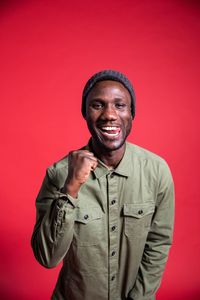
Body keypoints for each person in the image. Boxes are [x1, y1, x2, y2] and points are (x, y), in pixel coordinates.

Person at [31, 69, 175, 300]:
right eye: (97, 105)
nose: (109, 115)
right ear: (85, 114)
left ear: (132, 113)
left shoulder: (157, 171)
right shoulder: (58, 174)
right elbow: (47, 257)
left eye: (120, 105)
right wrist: (71, 187)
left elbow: (158, 244)